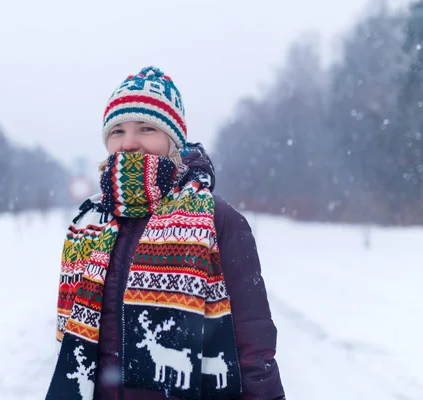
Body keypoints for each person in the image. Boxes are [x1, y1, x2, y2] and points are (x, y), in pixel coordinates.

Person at [45, 66, 285, 400]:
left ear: (173, 140)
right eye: (117, 131)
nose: (129, 143)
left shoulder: (218, 220)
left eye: (146, 128)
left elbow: (254, 350)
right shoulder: (90, 223)